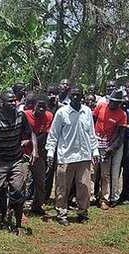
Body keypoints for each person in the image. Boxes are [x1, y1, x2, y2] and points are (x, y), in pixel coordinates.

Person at [0, 89, 36, 235]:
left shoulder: (21, 116)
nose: (13, 103)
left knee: (18, 191)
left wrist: (34, 150)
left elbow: (31, 133)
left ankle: (17, 225)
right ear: (2, 103)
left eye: (14, 100)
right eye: (10, 101)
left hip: (16, 159)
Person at [45, 85, 99, 225]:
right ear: (70, 96)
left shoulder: (87, 112)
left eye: (78, 95)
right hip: (66, 156)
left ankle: (82, 212)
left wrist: (95, 150)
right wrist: (50, 152)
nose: (76, 97)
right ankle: (62, 213)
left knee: (84, 187)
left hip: (84, 156)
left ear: (82, 96)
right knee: (63, 187)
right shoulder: (62, 112)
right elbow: (53, 134)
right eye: (73, 95)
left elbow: (91, 134)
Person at [94, 89, 128, 209]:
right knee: (93, 172)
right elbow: (92, 121)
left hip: (110, 145)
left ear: (120, 103)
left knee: (105, 174)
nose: (112, 103)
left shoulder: (122, 114)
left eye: (116, 102)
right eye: (111, 101)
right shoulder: (101, 106)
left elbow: (121, 134)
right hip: (95, 142)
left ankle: (105, 198)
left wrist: (111, 148)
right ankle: (91, 196)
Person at [24, 93, 53, 215]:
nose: (41, 109)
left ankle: (37, 206)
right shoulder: (25, 115)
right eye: (39, 106)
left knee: (40, 181)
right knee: (22, 181)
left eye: (44, 107)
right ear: (33, 106)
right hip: (24, 154)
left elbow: (45, 136)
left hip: (40, 153)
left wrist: (30, 141)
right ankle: (17, 207)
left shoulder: (49, 116)